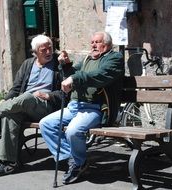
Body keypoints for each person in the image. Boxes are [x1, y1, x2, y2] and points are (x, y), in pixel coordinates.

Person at [0, 34, 69, 178]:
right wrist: (3, 101)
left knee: (27, 97)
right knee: (10, 115)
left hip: (46, 107)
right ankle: (8, 163)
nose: (48, 52)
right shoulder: (28, 64)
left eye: (50, 48)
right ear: (35, 52)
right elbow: (16, 89)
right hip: (23, 105)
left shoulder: (58, 64)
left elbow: (67, 92)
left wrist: (50, 95)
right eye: (44, 50)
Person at [39, 31, 124, 184]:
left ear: (107, 44)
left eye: (97, 42)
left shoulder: (114, 59)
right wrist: (65, 65)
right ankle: (73, 160)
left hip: (94, 108)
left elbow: (99, 75)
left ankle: (78, 163)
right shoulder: (86, 59)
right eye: (92, 42)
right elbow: (73, 73)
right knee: (46, 124)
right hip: (74, 107)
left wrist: (74, 78)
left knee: (73, 130)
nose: (93, 45)